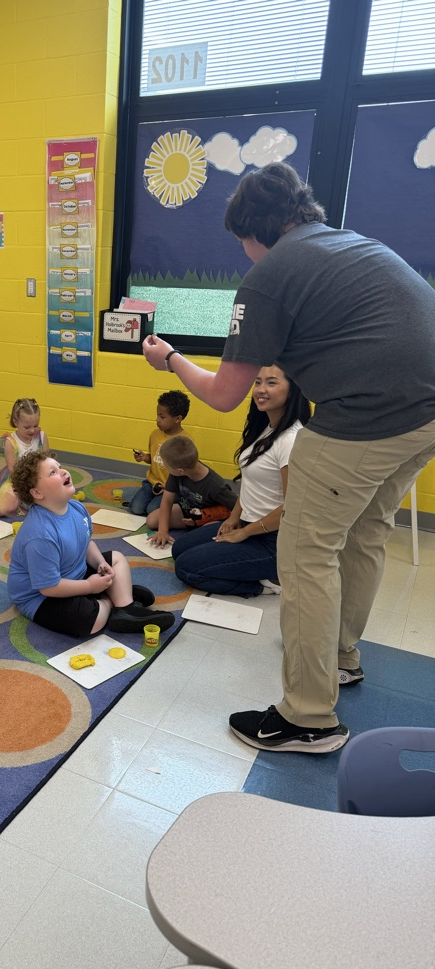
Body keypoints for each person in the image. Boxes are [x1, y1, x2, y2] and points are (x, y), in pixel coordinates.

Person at [143, 161, 435, 754]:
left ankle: (308, 716)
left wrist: (171, 358)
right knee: (364, 534)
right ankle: (341, 659)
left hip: (367, 416)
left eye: (241, 243)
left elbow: (225, 395)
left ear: (254, 230)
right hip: (425, 412)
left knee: (306, 556)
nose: (245, 254)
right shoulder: (351, 241)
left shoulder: (270, 274)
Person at [169, 367, 308, 597]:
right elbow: (251, 484)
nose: (261, 390)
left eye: (271, 383)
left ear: (292, 391)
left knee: (186, 568)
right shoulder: (265, 428)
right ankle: (244, 565)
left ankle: (264, 585)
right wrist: (234, 518)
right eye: (258, 382)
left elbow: (293, 507)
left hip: (272, 541)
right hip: (247, 522)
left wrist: (246, 533)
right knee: (179, 549)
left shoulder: (291, 440)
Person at [7, 451, 176, 637]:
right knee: (89, 621)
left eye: (60, 467)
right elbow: (48, 587)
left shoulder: (76, 508)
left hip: (73, 576)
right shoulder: (40, 535)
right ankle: (114, 597)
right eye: (52, 472)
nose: (63, 472)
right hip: (42, 597)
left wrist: (99, 563)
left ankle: (125, 608)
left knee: (117, 558)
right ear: (37, 493)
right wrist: (89, 587)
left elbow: (85, 543)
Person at [147, 435, 238, 545]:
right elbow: (167, 501)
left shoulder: (215, 485)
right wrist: (162, 531)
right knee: (152, 520)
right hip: (188, 510)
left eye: (166, 466)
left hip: (210, 517)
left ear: (180, 470)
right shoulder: (177, 473)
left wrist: (204, 518)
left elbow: (238, 505)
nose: (166, 468)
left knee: (202, 535)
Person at [129, 390, 190, 515]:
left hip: (171, 488)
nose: (157, 420)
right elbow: (154, 458)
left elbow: (186, 472)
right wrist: (144, 457)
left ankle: (177, 501)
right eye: (157, 415)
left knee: (152, 510)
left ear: (178, 418)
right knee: (136, 508)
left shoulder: (185, 441)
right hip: (151, 483)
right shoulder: (155, 434)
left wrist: (170, 489)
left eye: (162, 417)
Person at [0, 397, 49, 516]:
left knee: (56, 501)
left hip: (40, 480)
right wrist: (25, 488)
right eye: (27, 427)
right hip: (18, 483)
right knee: (0, 511)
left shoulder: (41, 437)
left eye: (36, 425)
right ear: (16, 422)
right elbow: (13, 470)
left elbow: (48, 462)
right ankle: (23, 503)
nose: (32, 430)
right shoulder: (10, 442)